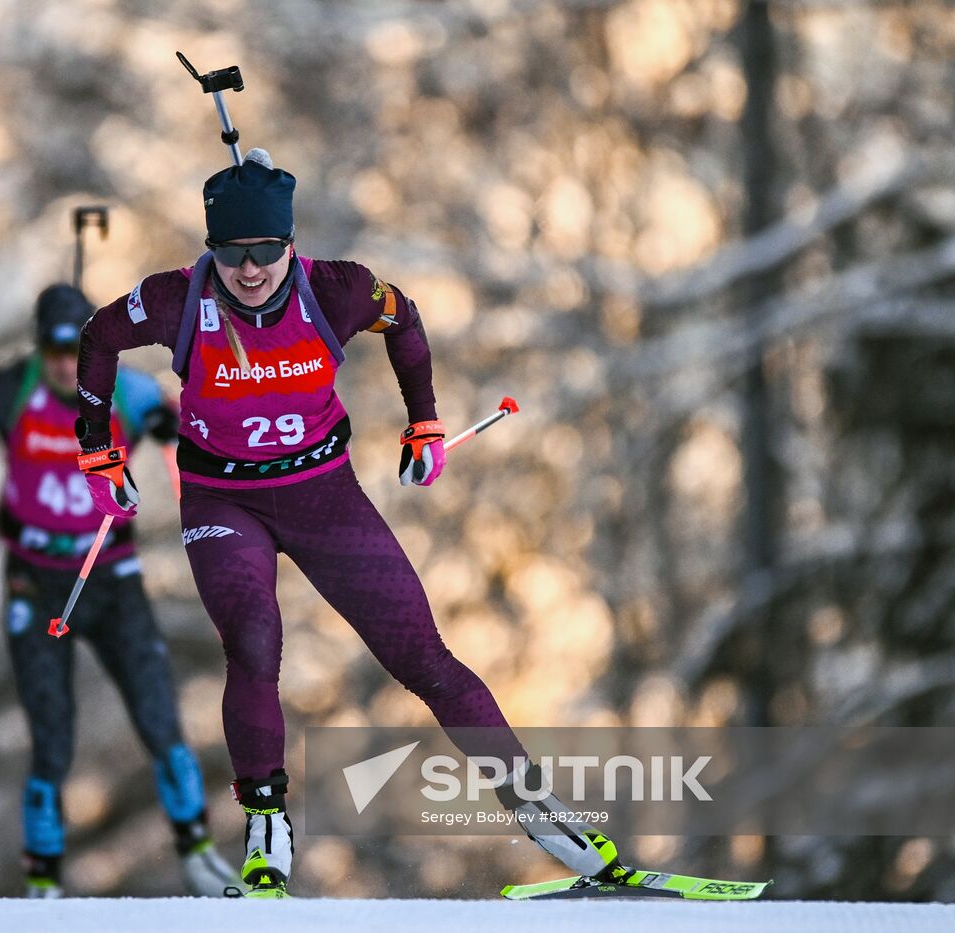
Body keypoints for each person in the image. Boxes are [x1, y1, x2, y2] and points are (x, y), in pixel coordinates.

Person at [73, 150, 628, 898]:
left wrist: (424, 424)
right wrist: (97, 450)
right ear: (212, 250)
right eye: (232, 254)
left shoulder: (336, 289)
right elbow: (99, 337)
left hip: (322, 493)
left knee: (423, 656)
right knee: (253, 636)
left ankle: (544, 816)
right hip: (222, 499)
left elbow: (406, 321)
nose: (249, 270)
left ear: (288, 242)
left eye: (266, 251)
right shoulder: (176, 301)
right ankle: (267, 833)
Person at [0, 284, 237, 898]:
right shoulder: (13, 388)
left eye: (76, 348)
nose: (63, 362)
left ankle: (198, 853)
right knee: (51, 736)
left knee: (159, 714)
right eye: (53, 349)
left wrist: (169, 424)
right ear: (38, 349)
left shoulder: (128, 390)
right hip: (36, 579)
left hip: (111, 576)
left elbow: (195, 431)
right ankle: (43, 880)